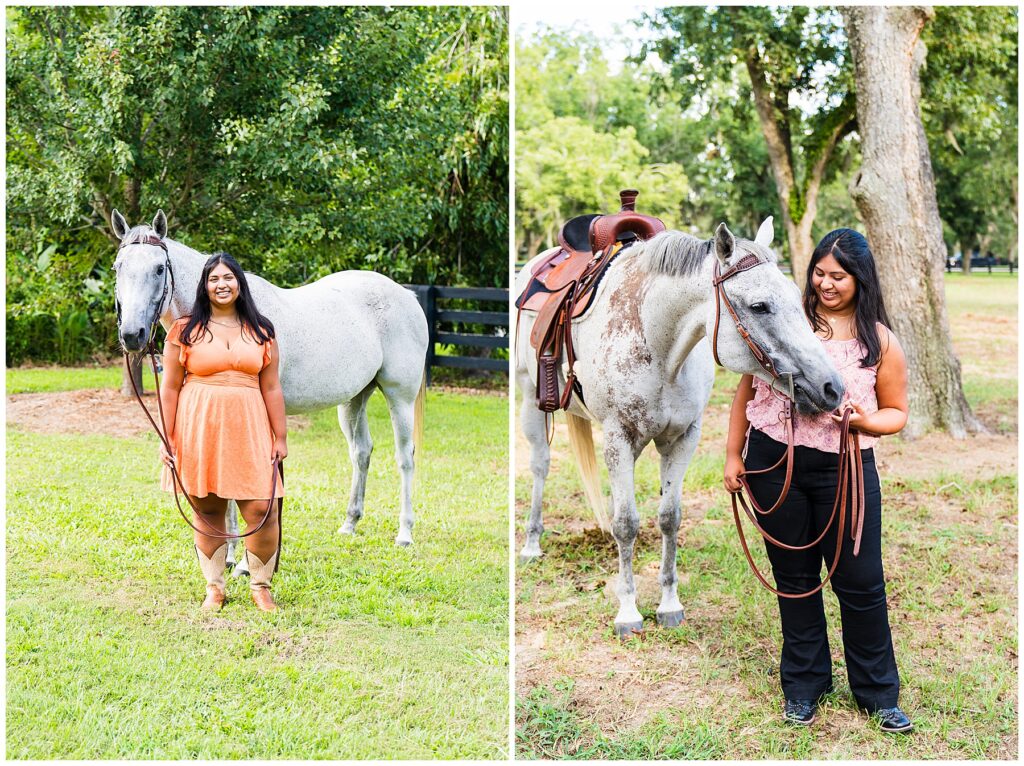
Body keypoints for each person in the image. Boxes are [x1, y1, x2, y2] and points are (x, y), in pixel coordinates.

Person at [724, 229, 912, 733]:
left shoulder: (880, 340)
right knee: (795, 582)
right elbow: (746, 392)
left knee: (862, 582)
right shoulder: (789, 322)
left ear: (860, 279)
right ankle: (805, 686)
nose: (826, 284)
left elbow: (896, 413)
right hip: (772, 463)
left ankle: (877, 694)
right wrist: (731, 456)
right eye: (820, 273)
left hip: (845, 469)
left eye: (839, 276)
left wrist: (863, 422)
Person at [159, 252, 287, 612]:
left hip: (250, 423)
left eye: (228, 278)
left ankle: (261, 586)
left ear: (240, 284)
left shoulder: (262, 330)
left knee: (262, 506)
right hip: (199, 424)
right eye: (214, 279)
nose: (221, 284)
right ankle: (214, 586)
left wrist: (280, 437)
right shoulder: (183, 330)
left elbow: (273, 388)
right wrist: (167, 437)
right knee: (207, 506)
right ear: (204, 286)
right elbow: (169, 387)